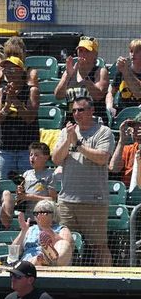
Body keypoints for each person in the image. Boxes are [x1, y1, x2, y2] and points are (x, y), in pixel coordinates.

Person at [53, 95, 114, 266]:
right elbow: (56, 159)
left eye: (81, 109)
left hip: (93, 201)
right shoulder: (67, 132)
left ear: (92, 111)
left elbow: (102, 158)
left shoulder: (103, 132)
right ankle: (64, 283)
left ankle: (106, 283)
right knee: (64, 243)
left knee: (99, 246)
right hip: (66, 201)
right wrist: (68, 140)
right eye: (74, 110)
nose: (76, 113)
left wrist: (77, 143)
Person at [0, 55, 41, 180]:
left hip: (27, 150)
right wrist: (6, 107)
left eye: (11, 69)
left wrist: (15, 100)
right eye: (5, 70)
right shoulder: (1, 92)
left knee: (28, 185)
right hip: (6, 150)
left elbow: (30, 118)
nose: (8, 72)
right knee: (6, 186)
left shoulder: (31, 91)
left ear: (20, 71)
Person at [55, 37, 110, 120]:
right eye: (80, 51)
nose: (82, 54)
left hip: (94, 121)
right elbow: (58, 96)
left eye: (87, 51)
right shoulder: (70, 71)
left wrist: (84, 76)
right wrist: (67, 76)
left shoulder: (100, 72)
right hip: (72, 121)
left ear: (95, 54)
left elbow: (98, 96)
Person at [11, 198, 74, 267]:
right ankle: (43, 260)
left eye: (44, 213)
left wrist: (46, 228)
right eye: (36, 213)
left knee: (63, 243)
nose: (39, 216)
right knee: (37, 259)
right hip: (27, 265)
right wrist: (23, 231)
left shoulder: (62, 229)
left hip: (54, 265)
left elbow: (67, 250)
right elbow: (13, 254)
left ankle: (47, 259)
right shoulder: (30, 229)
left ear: (54, 214)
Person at [17, 142, 61, 222]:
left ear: (46, 158)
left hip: (44, 218)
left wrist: (30, 197)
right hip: (28, 218)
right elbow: (22, 197)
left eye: (36, 155)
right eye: (31, 155)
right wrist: (20, 192)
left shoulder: (50, 175)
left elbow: (52, 199)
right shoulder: (26, 174)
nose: (32, 158)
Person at [109, 117, 140, 190]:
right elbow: (114, 168)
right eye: (135, 129)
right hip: (128, 192)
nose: (137, 132)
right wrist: (122, 141)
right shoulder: (128, 149)